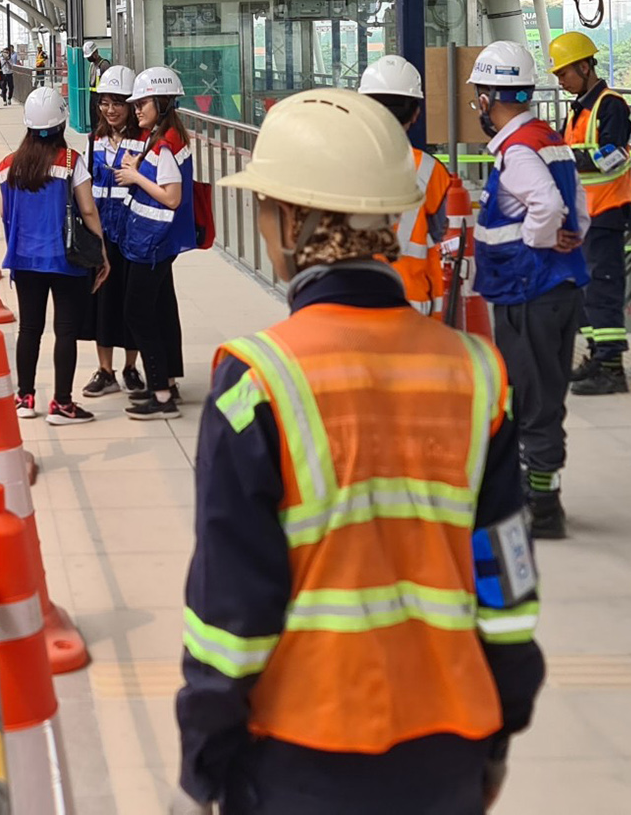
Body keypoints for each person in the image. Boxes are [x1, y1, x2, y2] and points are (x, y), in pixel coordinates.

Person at [172, 87, 543, 815]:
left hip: (302, 752)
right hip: (449, 747)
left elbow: (231, 611)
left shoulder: (257, 382)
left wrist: (204, 759)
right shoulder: (475, 373)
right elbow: (507, 581)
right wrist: (498, 732)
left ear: (292, 220)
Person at [470, 40, 588, 538]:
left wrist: (542, 240)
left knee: (532, 395)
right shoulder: (548, 137)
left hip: (528, 288)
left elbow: (545, 205)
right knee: (548, 391)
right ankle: (539, 488)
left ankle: (542, 507)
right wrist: (569, 239)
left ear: (488, 96)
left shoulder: (518, 151)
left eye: (479, 93)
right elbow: (578, 203)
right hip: (559, 288)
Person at [0, 86, 107, 424]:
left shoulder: (7, 166)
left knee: (29, 328)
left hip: (24, 259)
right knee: (65, 331)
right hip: (66, 260)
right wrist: (101, 251)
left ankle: (25, 398)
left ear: (28, 125)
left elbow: (5, 214)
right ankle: (62, 404)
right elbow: (88, 211)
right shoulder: (72, 161)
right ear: (61, 124)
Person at [549, 31, 631, 396]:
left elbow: (613, 155)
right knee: (586, 290)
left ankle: (612, 368)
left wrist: (568, 160)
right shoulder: (578, 109)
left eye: (564, 73)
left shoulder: (609, 105)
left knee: (602, 288)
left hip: (607, 212)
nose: (560, 81)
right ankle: (598, 357)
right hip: (586, 214)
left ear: (585, 66)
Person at [357, 55, 472, 318]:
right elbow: (444, 233)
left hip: (351, 301)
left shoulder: (340, 162)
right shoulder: (431, 171)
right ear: (416, 113)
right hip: (414, 306)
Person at [113, 65, 194, 419]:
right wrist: (138, 165)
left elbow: (172, 196)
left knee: (136, 312)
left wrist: (133, 175)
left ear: (161, 103)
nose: (137, 109)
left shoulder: (164, 143)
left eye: (143, 103)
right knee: (159, 311)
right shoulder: (165, 137)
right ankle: (165, 384)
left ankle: (161, 394)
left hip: (152, 244)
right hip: (156, 243)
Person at [83, 64, 143, 398]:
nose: (110, 109)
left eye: (117, 103)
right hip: (102, 236)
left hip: (133, 236)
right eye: (105, 102)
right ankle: (105, 371)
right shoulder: (95, 141)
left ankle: (131, 367)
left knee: (131, 305)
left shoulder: (143, 141)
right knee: (103, 304)